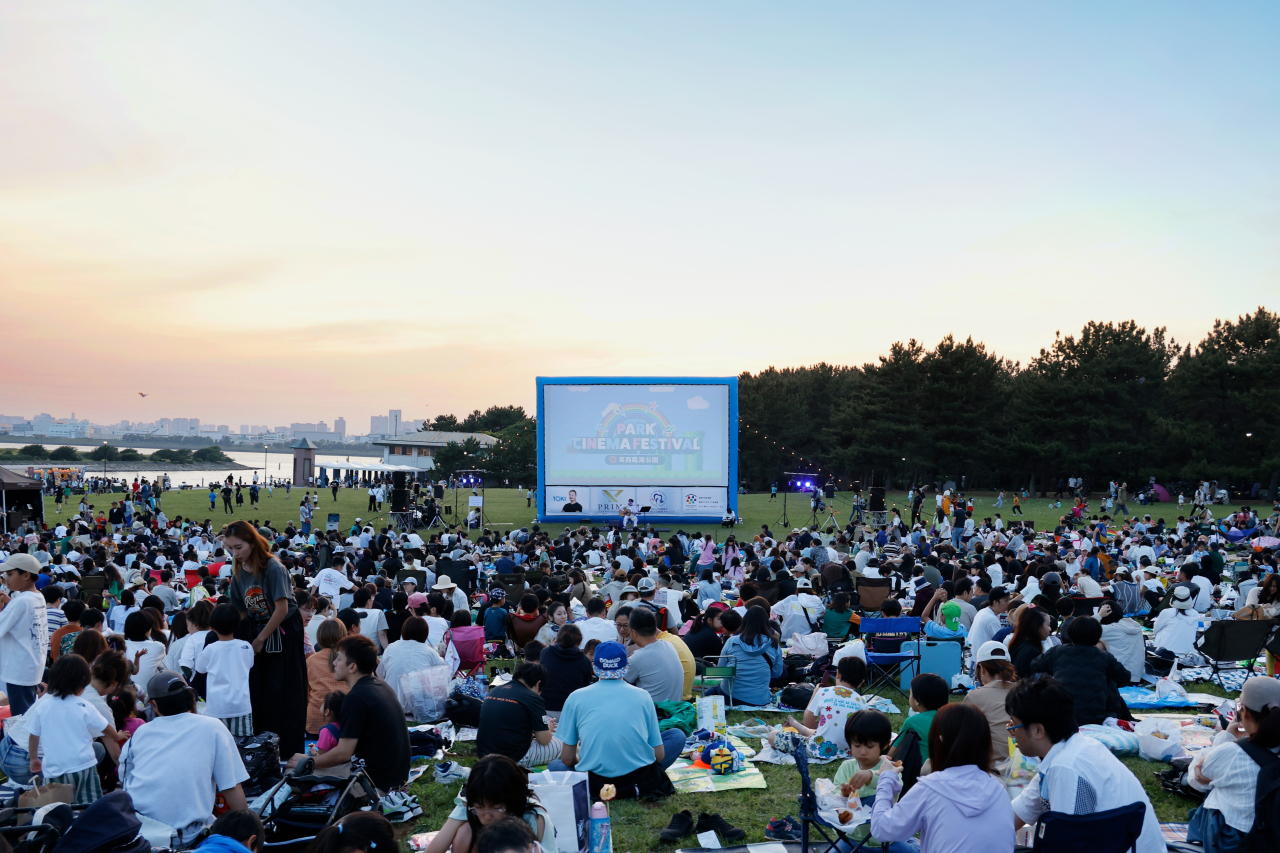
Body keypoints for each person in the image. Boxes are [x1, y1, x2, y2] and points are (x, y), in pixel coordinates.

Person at [1005, 677, 1164, 853]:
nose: (1012, 733)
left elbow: (1067, 844)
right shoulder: (1070, 750)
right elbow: (1018, 813)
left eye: (1014, 726)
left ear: (1038, 730)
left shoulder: (1067, 767)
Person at [120, 670, 250, 847]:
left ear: (154, 704)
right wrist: (250, 831)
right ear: (190, 696)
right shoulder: (213, 727)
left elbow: (126, 781)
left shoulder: (139, 734)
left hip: (139, 835)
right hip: (185, 837)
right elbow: (232, 787)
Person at [870, 703, 1015, 853]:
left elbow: (881, 829)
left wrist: (887, 778)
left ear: (940, 739)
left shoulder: (930, 789)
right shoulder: (999, 790)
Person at [548, 641, 684, 799]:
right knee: (677, 736)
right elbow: (658, 755)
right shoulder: (643, 696)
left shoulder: (575, 697)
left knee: (556, 766)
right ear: (626, 666)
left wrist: (583, 759)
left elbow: (567, 758)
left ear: (595, 666)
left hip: (596, 782)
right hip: (639, 779)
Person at [224, 519, 307, 756]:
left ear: (252, 543)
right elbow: (241, 610)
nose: (235, 553)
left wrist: (260, 639)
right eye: (231, 548)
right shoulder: (238, 572)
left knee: (284, 690)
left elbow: (281, 609)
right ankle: (262, 747)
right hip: (256, 627)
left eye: (239, 547)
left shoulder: (273, 568)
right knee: (260, 690)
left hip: (284, 630)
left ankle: (287, 750)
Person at [285, 634, 410, 791]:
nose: (334, 663)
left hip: (373, 782)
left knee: (292, 772)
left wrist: (308, 761)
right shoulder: (381, 686)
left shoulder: (356, 698)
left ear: (352, 667)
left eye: (338, 659)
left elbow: (343, 753)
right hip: (396, 777)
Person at [1186, 675, 1280, 850]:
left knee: (1214, 790)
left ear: (1245, 712)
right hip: (1274, 837)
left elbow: (1196, 782)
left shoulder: (1233, 752)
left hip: (1240, 843)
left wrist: (1226, 738)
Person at [24, 655, 117, 804]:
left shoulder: (43, 706)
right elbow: (105, 727)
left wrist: (34, 758)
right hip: (84, 765)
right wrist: (117, 736)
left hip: (55, 769)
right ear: (82, 684)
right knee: (89, 804)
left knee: (56, 807)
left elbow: (33, 735)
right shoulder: (84, 705)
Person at [424, 754, 556, 853]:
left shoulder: (534, 816)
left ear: (513, 800)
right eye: (479, 808)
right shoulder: (472, 803)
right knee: (465, 833)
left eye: (497, 808)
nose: (487, 816)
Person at [1030, 615, 1131, 725]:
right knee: (1110, 678)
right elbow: (1125, 678)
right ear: (1097, 635)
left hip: (1062, 715)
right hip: (1095, 716)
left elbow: (1035, 666)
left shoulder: (1057, 651)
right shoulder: (1104, 657)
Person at [767, 656, 869, 759]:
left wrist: (815, 693)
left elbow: (807, 722)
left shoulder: (824, 692)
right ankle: (801, 728)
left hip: (818, 749)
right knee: (825, 732)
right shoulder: (862, 702)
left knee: (773, 735)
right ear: (861, 683)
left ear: (838, 673)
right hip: (848, 751)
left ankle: (800, 728)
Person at [476, 662, 563, 769]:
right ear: (538, 684)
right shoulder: (533, 698)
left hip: (484, 755)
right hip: (512, 757)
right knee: (565, 744)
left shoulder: (495, 690)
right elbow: (544, 740)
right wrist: (547, 728)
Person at [194, 604, 257, 736]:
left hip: (216, 709)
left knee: (216, 743)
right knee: (242, 744)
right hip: (242, 707)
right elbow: (250, 664)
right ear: (237, 624)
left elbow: (200, 668)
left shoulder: (210, 649)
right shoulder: (246, 647)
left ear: (212, 627)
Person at [706, 604, 783, 706]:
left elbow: (721, 671)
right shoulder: (774, 645)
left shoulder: (732, 641)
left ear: (745, 621)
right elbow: (777, 674)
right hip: (760, 699)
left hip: (731, 696)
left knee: (714, 689)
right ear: (766, 623)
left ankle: (699, 702)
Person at [0, 554, 49, 714]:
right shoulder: (37, 596)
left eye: (10, 574)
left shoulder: (20, 601)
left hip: (19, 671)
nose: (5, 578)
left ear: (26, 575)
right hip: (31, 667)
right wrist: (9, 603)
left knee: (21, 718)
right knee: (27, 713)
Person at [962, 641, 1017, 773]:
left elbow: (962, 738)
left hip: (989, 770)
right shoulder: (1027, 692)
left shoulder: (974, 697)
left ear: (982, 669)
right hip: (1026, 768)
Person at [377, 616, 445, 709]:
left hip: (391, 702)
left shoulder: (391, 647)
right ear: (425, 633)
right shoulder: (428, 651)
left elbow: (380, 673)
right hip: (419, 706)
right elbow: (443, 670)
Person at [622, 608, 685, 703]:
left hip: (654, 710)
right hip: (675, 707)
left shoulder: (637, 659)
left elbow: (620, 685)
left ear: (634, 632)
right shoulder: (668, 645)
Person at [891, 673, 948, 765]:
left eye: (911, 693)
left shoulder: (912, 722)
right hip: (946, 768)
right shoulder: (949, 718)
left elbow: (893, 751)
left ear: (917, 700)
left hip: (920, 771)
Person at [305, 619, 350, 735]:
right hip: (346, 719)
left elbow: (305, 694)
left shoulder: (310, 661)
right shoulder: (351, 660)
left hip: (316, 720)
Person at [539, 624, 592, 720]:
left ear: (557, 638)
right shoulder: (584, 661)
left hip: (546, 708)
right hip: (572, 710)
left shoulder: (546, 652)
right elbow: (586, 688)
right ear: (579, 641)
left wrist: (553, 647)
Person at [1098, 602, 1145, 685]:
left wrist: (1099, 615)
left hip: (1118, 678)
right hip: (1135, 676)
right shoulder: (1133, 625)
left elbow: (1084, 629)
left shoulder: (1109, 629)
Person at [1152, 585, 1200, 655]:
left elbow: (1155, 629)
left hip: (1166, 651)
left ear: (1173, 598)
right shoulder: (1195, 613)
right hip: (1189, 651)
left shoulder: (1166, 612)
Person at [1008, 607, 1050, 680]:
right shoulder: (1032, 652)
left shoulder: (1017, 645)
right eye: (1048, 625)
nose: (1050, 629)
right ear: (1038, 627)